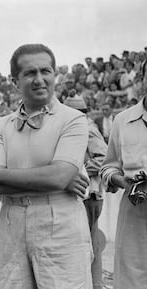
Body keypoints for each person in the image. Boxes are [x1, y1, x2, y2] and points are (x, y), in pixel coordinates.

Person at [0, 44, 92, 289]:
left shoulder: (72, 119)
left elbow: (58, 177)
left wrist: (1, 175)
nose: (39, 79)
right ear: (15, 81)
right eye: (30, 73)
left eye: (46, 71)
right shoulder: (2, 126)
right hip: (12, 221)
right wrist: (49, 175)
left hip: (59, 221)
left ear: (55, 75)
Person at [100, 62, 147, 289]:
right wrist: (121, 181)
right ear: (141, 79)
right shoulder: (123, 120)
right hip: (134, 208)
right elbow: (108, 167)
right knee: (131, 276)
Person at [64, 96, 108, 289]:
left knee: (89, 243)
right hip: (81, 194)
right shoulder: (73, 129)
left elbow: (104, 158)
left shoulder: (88, 128)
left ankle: (95, 283)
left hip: (90, 195)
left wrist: (78, 167)